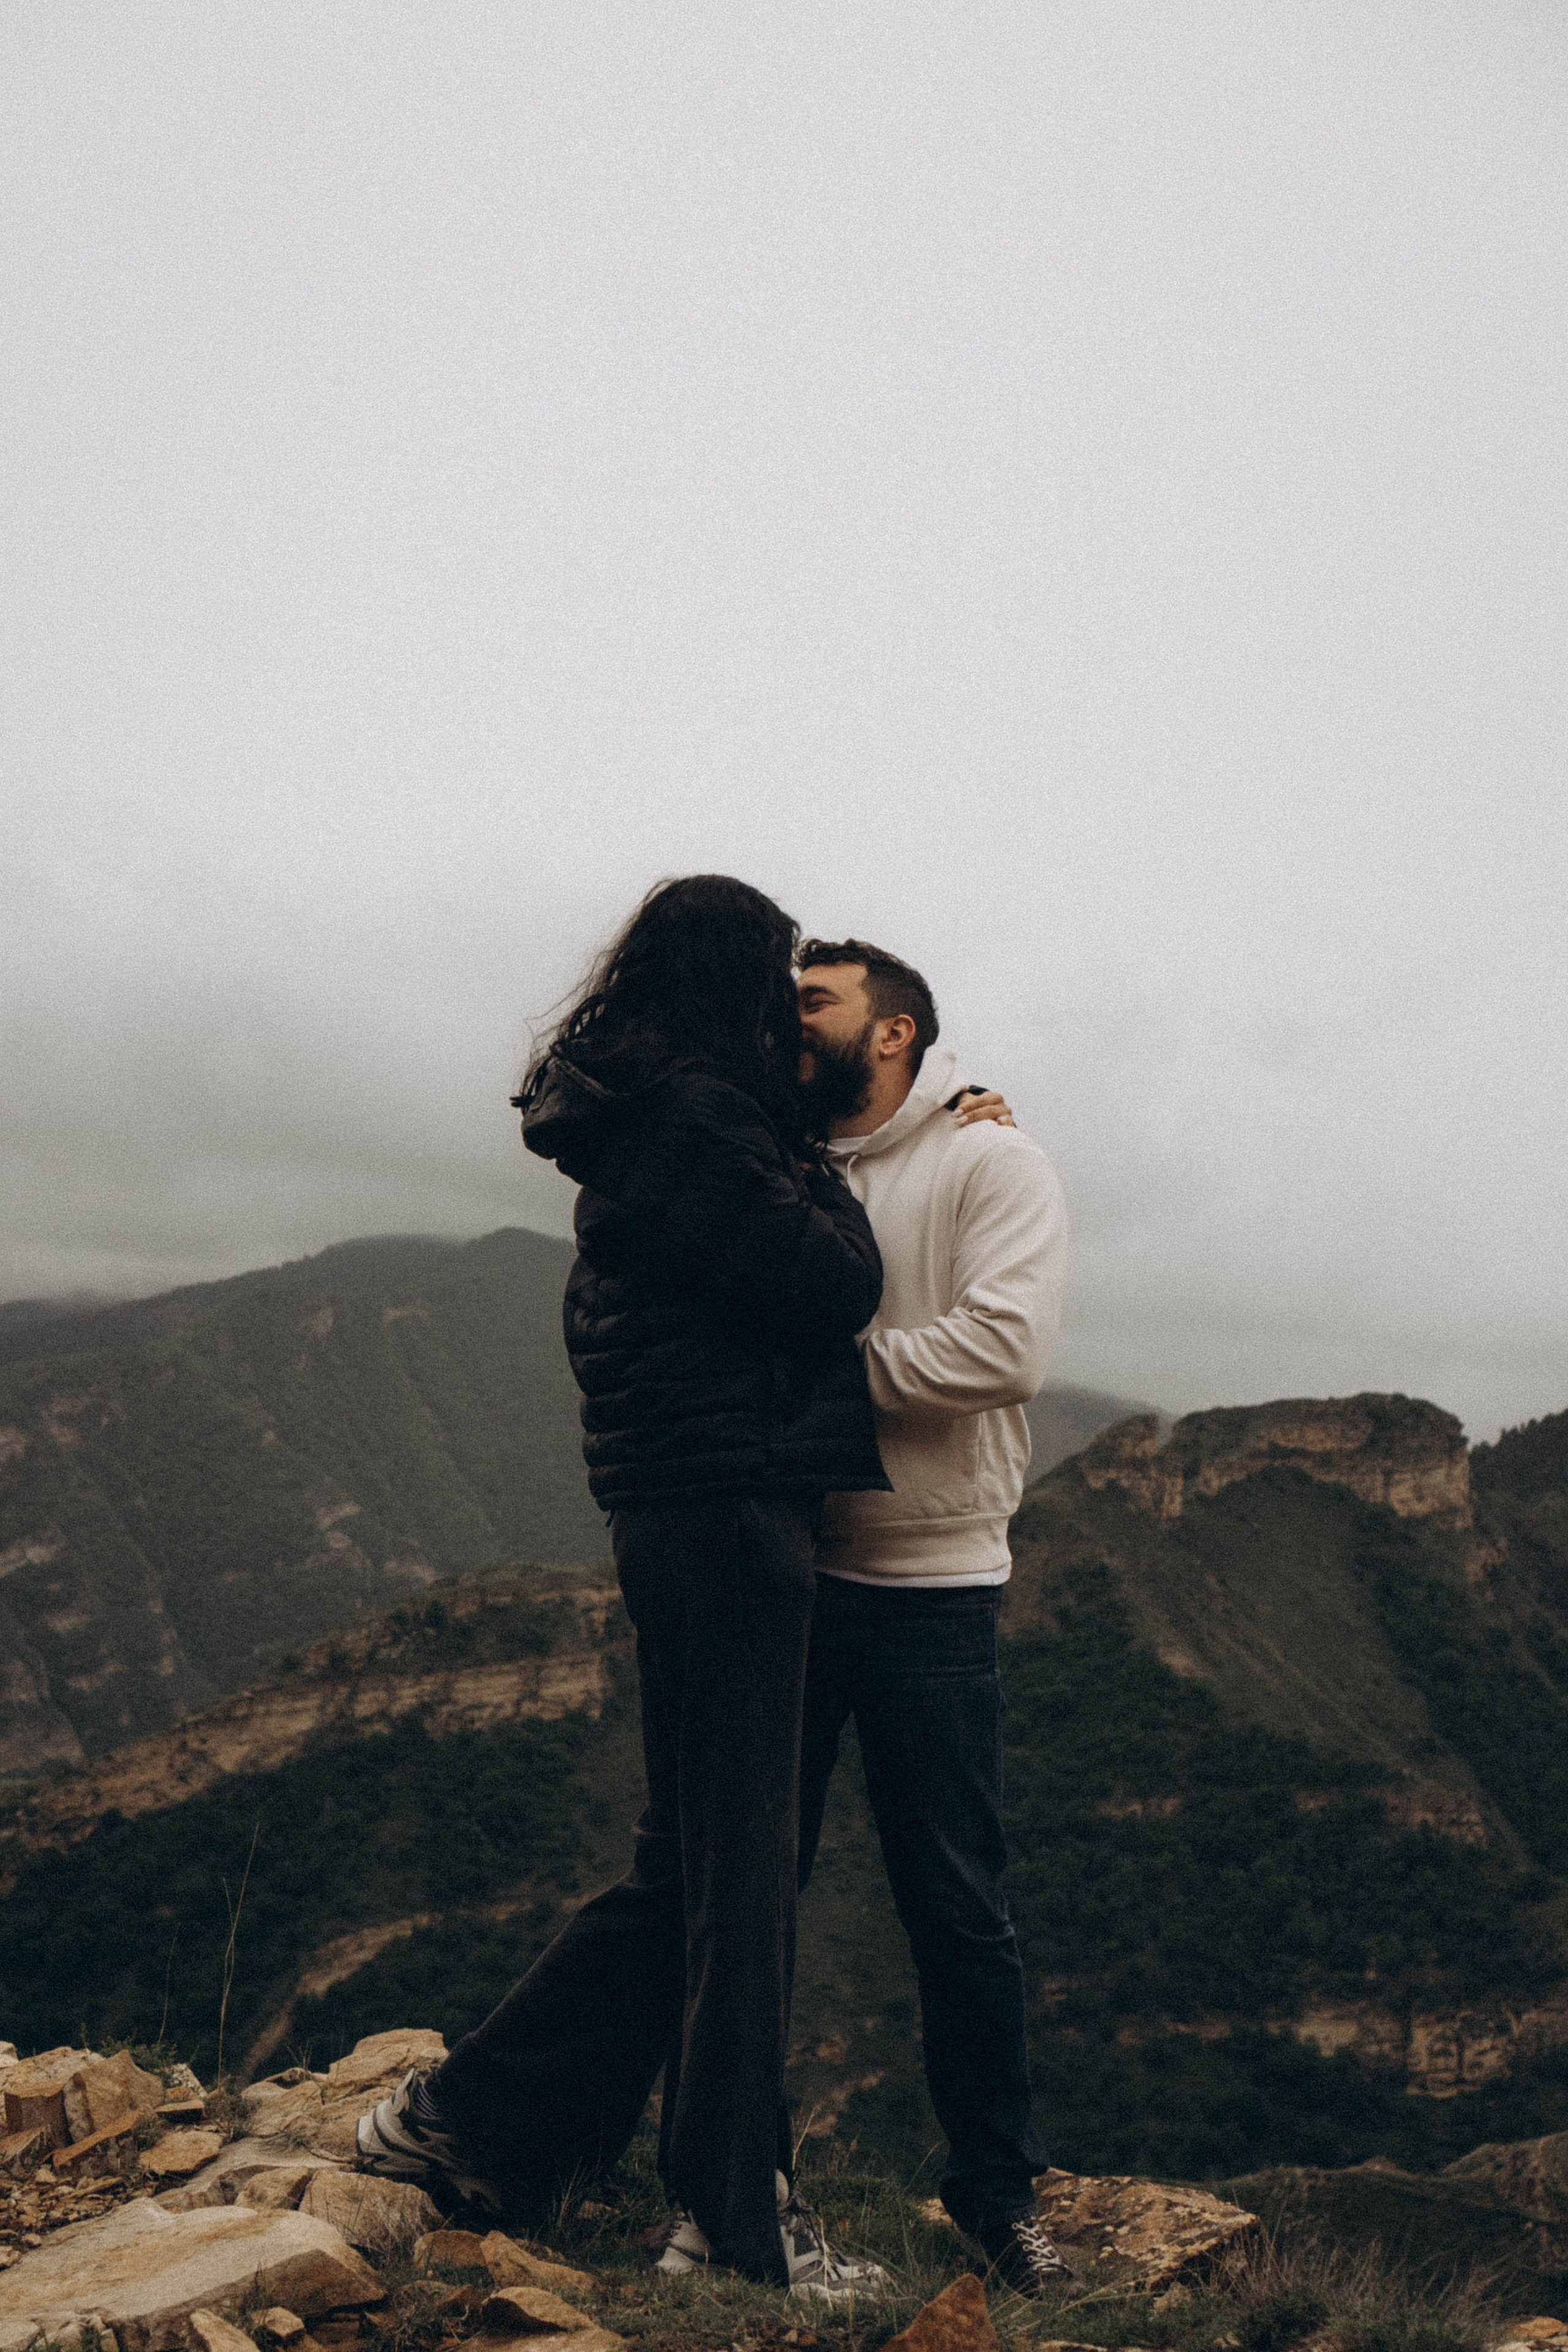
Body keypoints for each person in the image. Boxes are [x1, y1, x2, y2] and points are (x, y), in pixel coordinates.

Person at [356, 876, 891, 2299]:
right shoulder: (703, 1126)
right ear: (726, 980)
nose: (789, 1012)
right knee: (740, 1873)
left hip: (685, 1508)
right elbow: (836, 1282)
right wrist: (824, 1164)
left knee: (690, 1864)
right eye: (777, 984)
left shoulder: (649, 1111)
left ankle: (463, 2124)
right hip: (728, 1510)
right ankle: (725, 2224)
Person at [792, 939, 1074, 2294]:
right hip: (782, 1569)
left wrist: (812, 1378)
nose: (786, 1022)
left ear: (894, 1032)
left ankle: (996, 2193)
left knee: (954, 1905)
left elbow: (1002, 1348)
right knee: (746, 1892)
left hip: (930, 1583)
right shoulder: (775, 1153)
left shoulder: (988, 1162)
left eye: (812, 1002)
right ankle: (737, 2175)